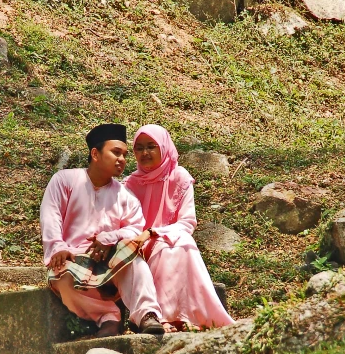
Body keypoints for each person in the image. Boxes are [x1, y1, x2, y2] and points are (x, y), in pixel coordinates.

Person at [40, 123, 164, 336]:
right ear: (95, 154)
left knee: (135, 260)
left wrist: (110, 238)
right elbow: (50, 215)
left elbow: (135, 229)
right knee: (63, 279)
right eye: (116, 152)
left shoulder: (125, 196)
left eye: (125, 154)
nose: (122, 159)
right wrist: (58, 246)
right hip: (72, 256)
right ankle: (109, 317)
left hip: (110, 261)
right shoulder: (65, 180)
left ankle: (146, 315)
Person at [125, 124, 234, 332]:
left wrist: (154, 233)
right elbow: (127, 222)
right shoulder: (130, 183)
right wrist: (141, 237)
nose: (145, 153)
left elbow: (187, 222)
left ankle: (184, 317)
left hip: (169, 237)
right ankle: (164, 317)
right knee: (165, 249)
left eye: (151, 147)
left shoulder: (179, 176)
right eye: (139, 148)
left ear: (163, 147)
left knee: (181, 244)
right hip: (140, 244)